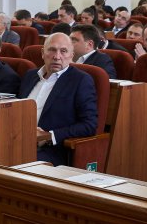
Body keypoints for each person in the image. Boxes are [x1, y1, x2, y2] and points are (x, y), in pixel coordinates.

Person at [18, 32, 98, 166]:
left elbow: (89, 125)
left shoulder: (81, 81)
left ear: (71, 56)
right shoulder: (30, 76)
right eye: (52, 50)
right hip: (17, 140)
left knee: (15, 163)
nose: (57, 56)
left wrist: (50, 136)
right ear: (43, 53)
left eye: (63, 51)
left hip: (50, 149)